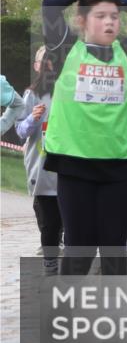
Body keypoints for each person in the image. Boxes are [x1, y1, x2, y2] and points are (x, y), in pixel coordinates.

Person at [40, 0, 127, 275]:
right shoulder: (65, 48)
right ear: (82, 21)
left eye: (114, 16)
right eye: (100, 16)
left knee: (113, 250)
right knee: (79, 247)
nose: (110, 22)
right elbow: (50, 3)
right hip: (74, 164)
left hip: (117, 166)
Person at [16, 48, 61, 275]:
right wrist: (33, 119)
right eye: (45, 61)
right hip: (41, 169)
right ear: (38, 66)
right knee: (49, 221)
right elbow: (20, 131)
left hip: (67, 167)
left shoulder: (69, 91)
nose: (49, 65)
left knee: (68, 219)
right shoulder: (31, 94)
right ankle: (50, 263)